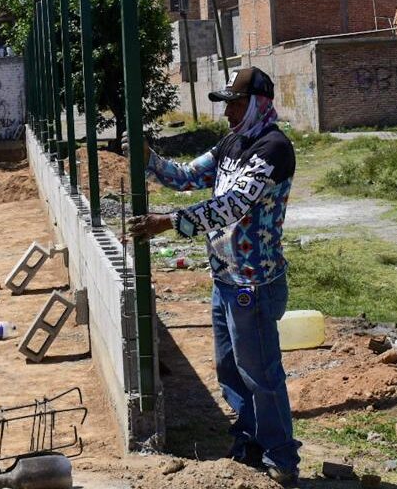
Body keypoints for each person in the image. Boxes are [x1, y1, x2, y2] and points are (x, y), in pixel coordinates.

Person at [127, 66, 300, 487]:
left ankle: (282, 457)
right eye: (227, 105)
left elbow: (232, 206)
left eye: (235, 104)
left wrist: (167, 223)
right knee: (229, 369)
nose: (228, 113)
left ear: (258, 102)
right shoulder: (232, 143)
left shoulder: (273, 149)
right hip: (226, 279)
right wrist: (146, 157)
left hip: (254, 283)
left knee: (260, 372)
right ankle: (249, 442)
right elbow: (187, 176)